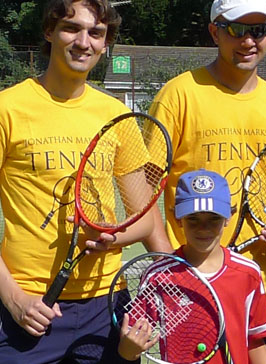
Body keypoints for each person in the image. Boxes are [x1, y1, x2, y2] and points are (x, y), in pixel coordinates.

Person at [0, 1, 169, 362]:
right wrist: (14, 299)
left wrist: (111, 238)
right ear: (49, 31)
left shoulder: (117, 115)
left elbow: (145, 218)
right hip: (30, 308)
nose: (84, 42)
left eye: (96, 33)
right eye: (71, 28)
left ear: (106, 42)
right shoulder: (7, 109)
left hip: (106, 306)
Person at [147, 1, 266, 361]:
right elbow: (146, 185)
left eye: (259, 29)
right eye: (237, 29)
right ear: (214, 31)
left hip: (261, 290)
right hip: (192, 288)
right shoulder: (178, 95)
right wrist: (169, 260)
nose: (249, 40)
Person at [120, 170, 266, 364]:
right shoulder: (158, 276)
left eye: (213, 218)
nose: (204, 228)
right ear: (178, 218)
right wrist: (128, 348)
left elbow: (255, 342)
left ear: (228, 217)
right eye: (193, 218)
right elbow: (129, 345)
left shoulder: (248, 273)